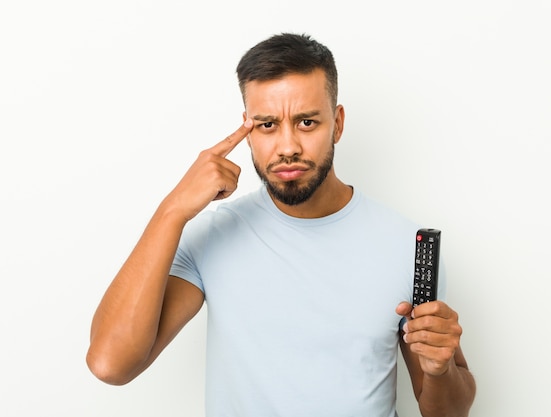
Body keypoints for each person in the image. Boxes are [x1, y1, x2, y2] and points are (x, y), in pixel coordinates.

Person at [87, 32, 476, 417]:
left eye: (307, 122)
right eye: (268, 125)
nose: (287, 146)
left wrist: (440, 370)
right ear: (247, 129)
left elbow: (447, 412)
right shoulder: (214, 236)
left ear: (337, 124)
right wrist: (172, 210)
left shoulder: (407, 246)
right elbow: (110, 363)